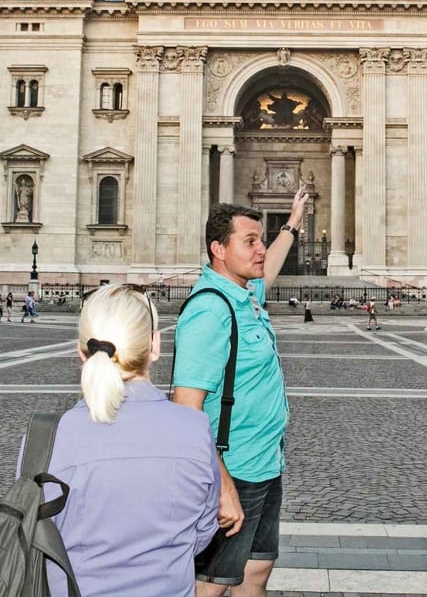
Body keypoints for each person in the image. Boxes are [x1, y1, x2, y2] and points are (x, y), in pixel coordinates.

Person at [37, 284, 220, 597]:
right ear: (155, 345)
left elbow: (37, 532)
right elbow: (202, 531)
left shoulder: (45, 438)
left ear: (81, 352)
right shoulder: (195, 429)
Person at [173, 191, 308, 597]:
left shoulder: (245, 295)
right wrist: (223, 485)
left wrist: (293, 222)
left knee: (257, 570)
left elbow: (270, 268)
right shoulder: (208, 312)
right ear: (219, 249)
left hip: (264, 463)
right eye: (250, 241)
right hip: (232, 471)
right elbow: (186, 411)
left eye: (261, 240)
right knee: (210, 584)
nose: (261, 249)